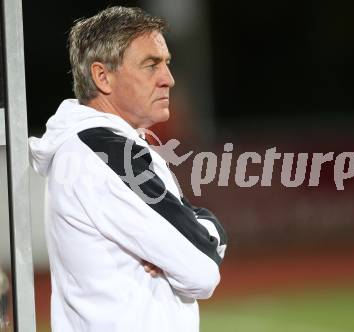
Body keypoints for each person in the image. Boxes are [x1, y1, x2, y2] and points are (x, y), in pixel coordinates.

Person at [28, 6, 227, 332]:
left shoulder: (99, 146)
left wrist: (198, 232)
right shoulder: (107, 152)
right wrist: (200, 237)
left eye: (166, 64)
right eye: (151, 65)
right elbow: (202, 269)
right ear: (102, 76)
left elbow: (198, 233)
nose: (168, 79)